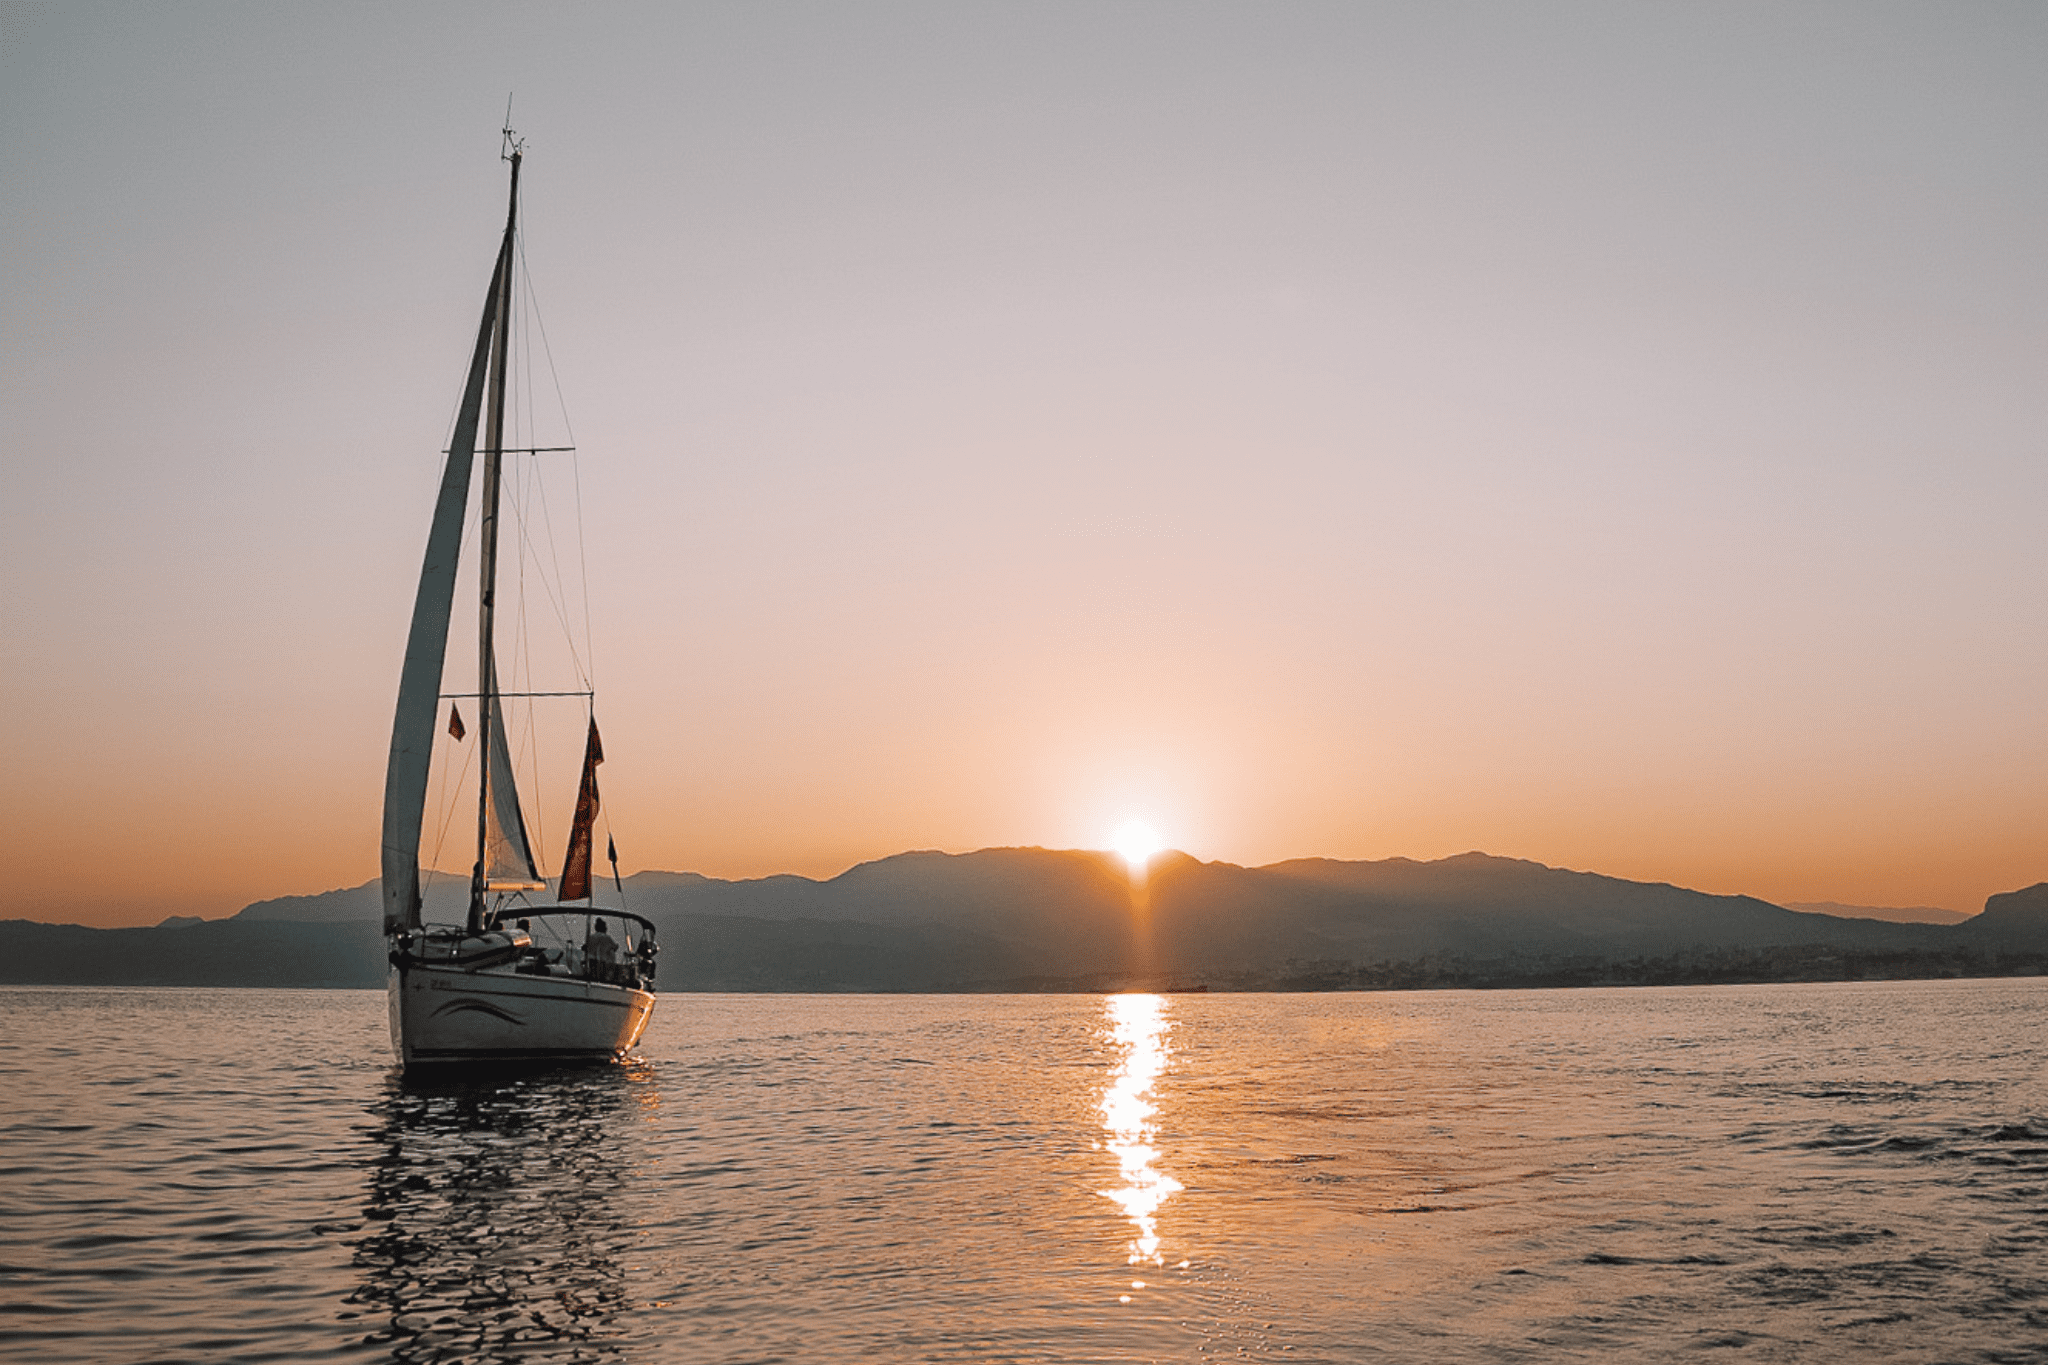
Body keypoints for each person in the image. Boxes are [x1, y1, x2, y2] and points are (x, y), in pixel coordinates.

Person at [583, 917, 618, 982]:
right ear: (604, 928)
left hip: (591, 964)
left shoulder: (591, 937)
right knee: (602, 979)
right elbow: (615, 947)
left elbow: (584, 947)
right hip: (602, 964)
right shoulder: (607, 938)